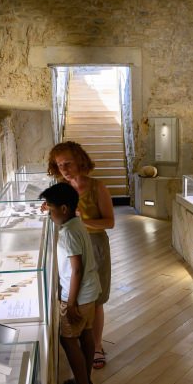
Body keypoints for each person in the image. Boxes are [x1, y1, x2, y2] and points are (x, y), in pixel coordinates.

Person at [47, 141, 114, 370]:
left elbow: (110, 222)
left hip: (95, 246)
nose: (64, 169)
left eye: (68, 163)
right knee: (72, 293)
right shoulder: (61, 189)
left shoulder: (97, 187)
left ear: (80, 161)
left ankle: (96, 346)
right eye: (59, 165)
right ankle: (82, 342)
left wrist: (81, 221)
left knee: (96, 299)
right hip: (69, 249)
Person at [40, 183, 101, 384]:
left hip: (77, 296)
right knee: (86, 334)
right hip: (89, 292)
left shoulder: (67, 234)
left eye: (51, 208)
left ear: (64, 208)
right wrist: (47, 207)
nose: (49, 212)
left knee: (68, 339)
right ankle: (84, 378)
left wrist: (71, 302)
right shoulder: (76, 222)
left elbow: (76, 269)